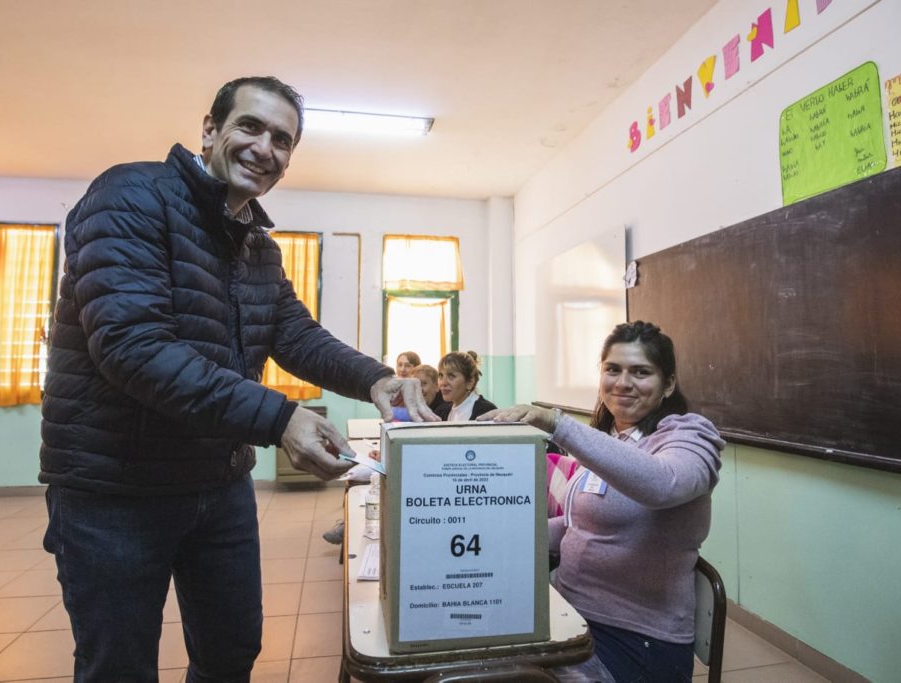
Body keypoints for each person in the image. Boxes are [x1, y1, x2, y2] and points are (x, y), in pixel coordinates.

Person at [39, 75, 436, 682]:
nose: (264, 148)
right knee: (118, 667)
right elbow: (132, 347)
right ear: (209, 130)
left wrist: (377, 379)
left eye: (283, 139)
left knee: (231, 652)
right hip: (114, 489)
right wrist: (279, 419)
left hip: (218, 485)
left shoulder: (257, 245)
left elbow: (295, 335)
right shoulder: (130, 196)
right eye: (250, 126)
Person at [479, 321, 724, 682]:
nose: (623, 383)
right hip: (570, 612)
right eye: (613, 369)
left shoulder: (690, 435)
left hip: (637, 638)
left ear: (668, 384)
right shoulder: (612, 440)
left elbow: (662, 484)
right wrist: (498, 537)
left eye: (641, 372)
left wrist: (556, 423)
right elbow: (579, 524)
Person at [435, 350, 497, 421]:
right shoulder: (440, 412)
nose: (443, 382)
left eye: (451, 376)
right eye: (440, 375)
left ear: (470, 382)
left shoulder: (486, 411)